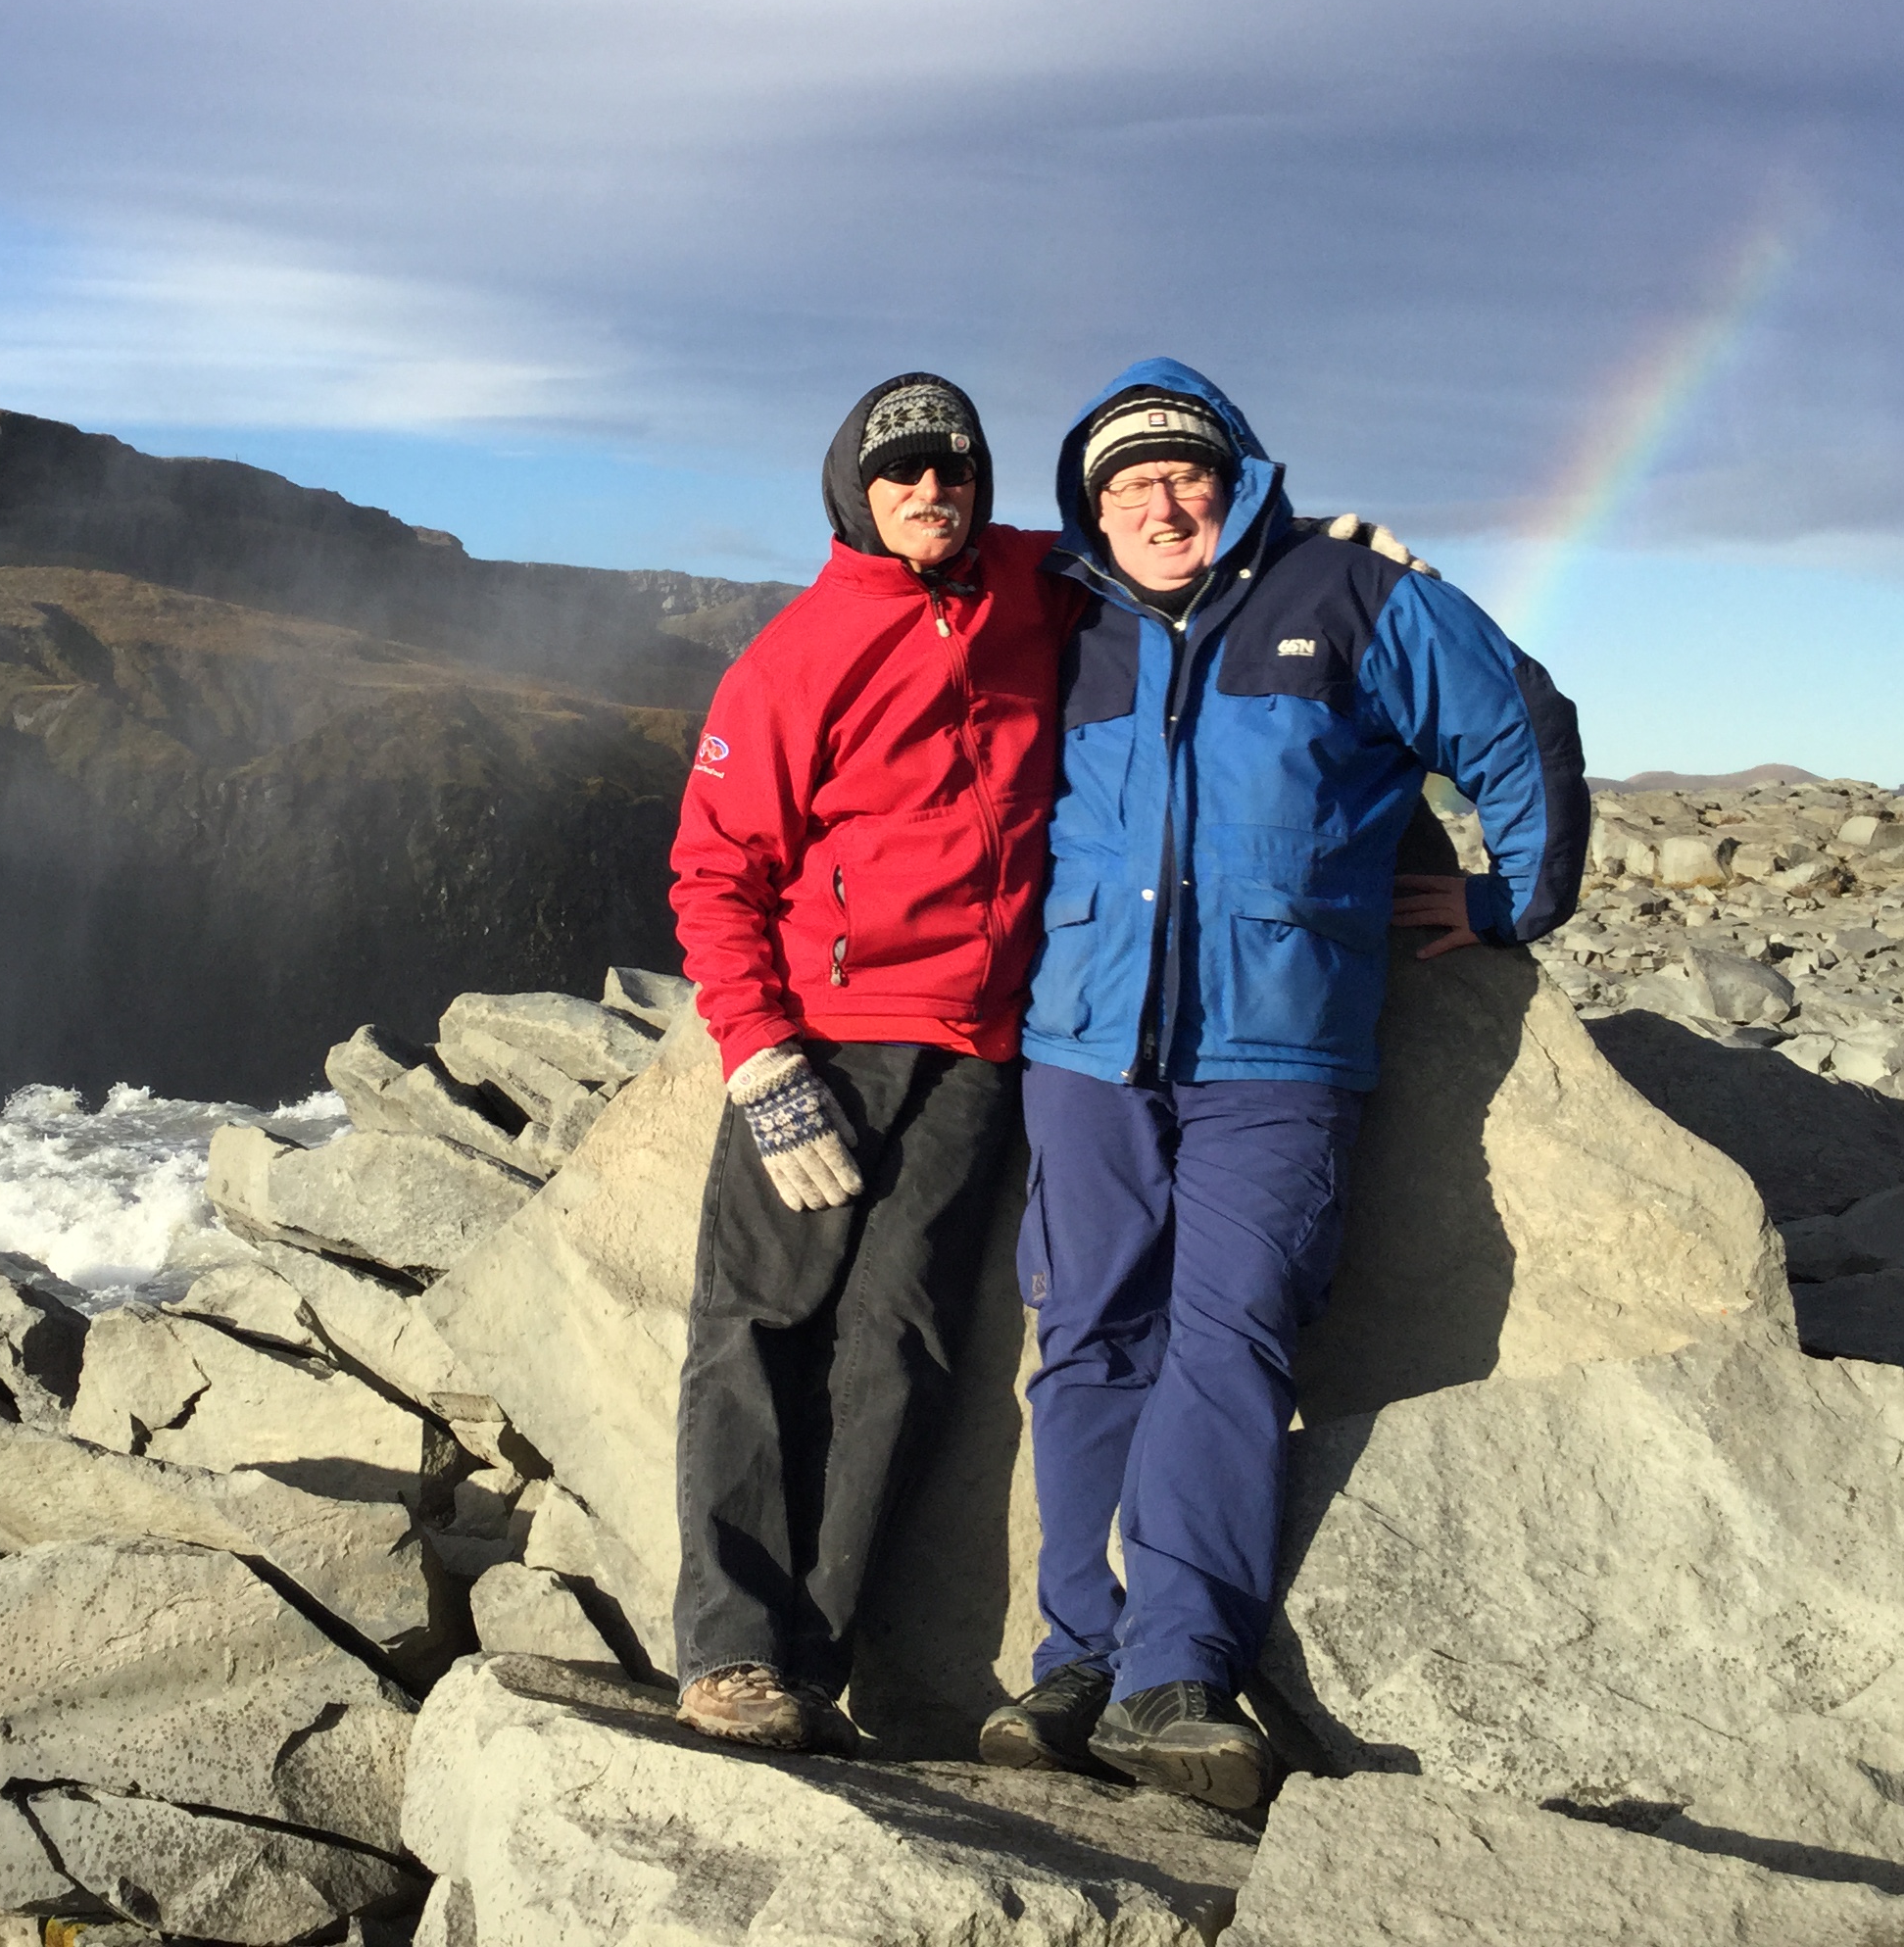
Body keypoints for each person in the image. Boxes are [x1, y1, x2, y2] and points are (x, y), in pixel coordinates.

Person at [978, 357, 1587, 1809]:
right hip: (1085, 1047)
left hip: (1280, 1048)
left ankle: (1176, 1669)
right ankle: (1078, 1654)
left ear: (1236, 474)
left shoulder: (1351, 597)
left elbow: (1519, 725)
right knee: (1081, 1334)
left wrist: (1513, 902)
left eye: (1182, 471)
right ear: (1090, 507)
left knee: (1231, 1328)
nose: (1156, 500)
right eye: (1125, 483)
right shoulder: (1069, 623)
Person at [663, 370, 1081, 1750]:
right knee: (757, 1331)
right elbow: (715, 871)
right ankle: (729, 1651)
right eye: (899, 472)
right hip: (825, 1046)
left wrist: (1336, 557)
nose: (928, 490)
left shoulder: (1031, 583)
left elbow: (1166, 534)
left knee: (899, 1349)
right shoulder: (792, 656)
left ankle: (813, 1665)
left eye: (951, 467)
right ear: (854, 489)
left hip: (973, 1053)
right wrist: (761, 1061)